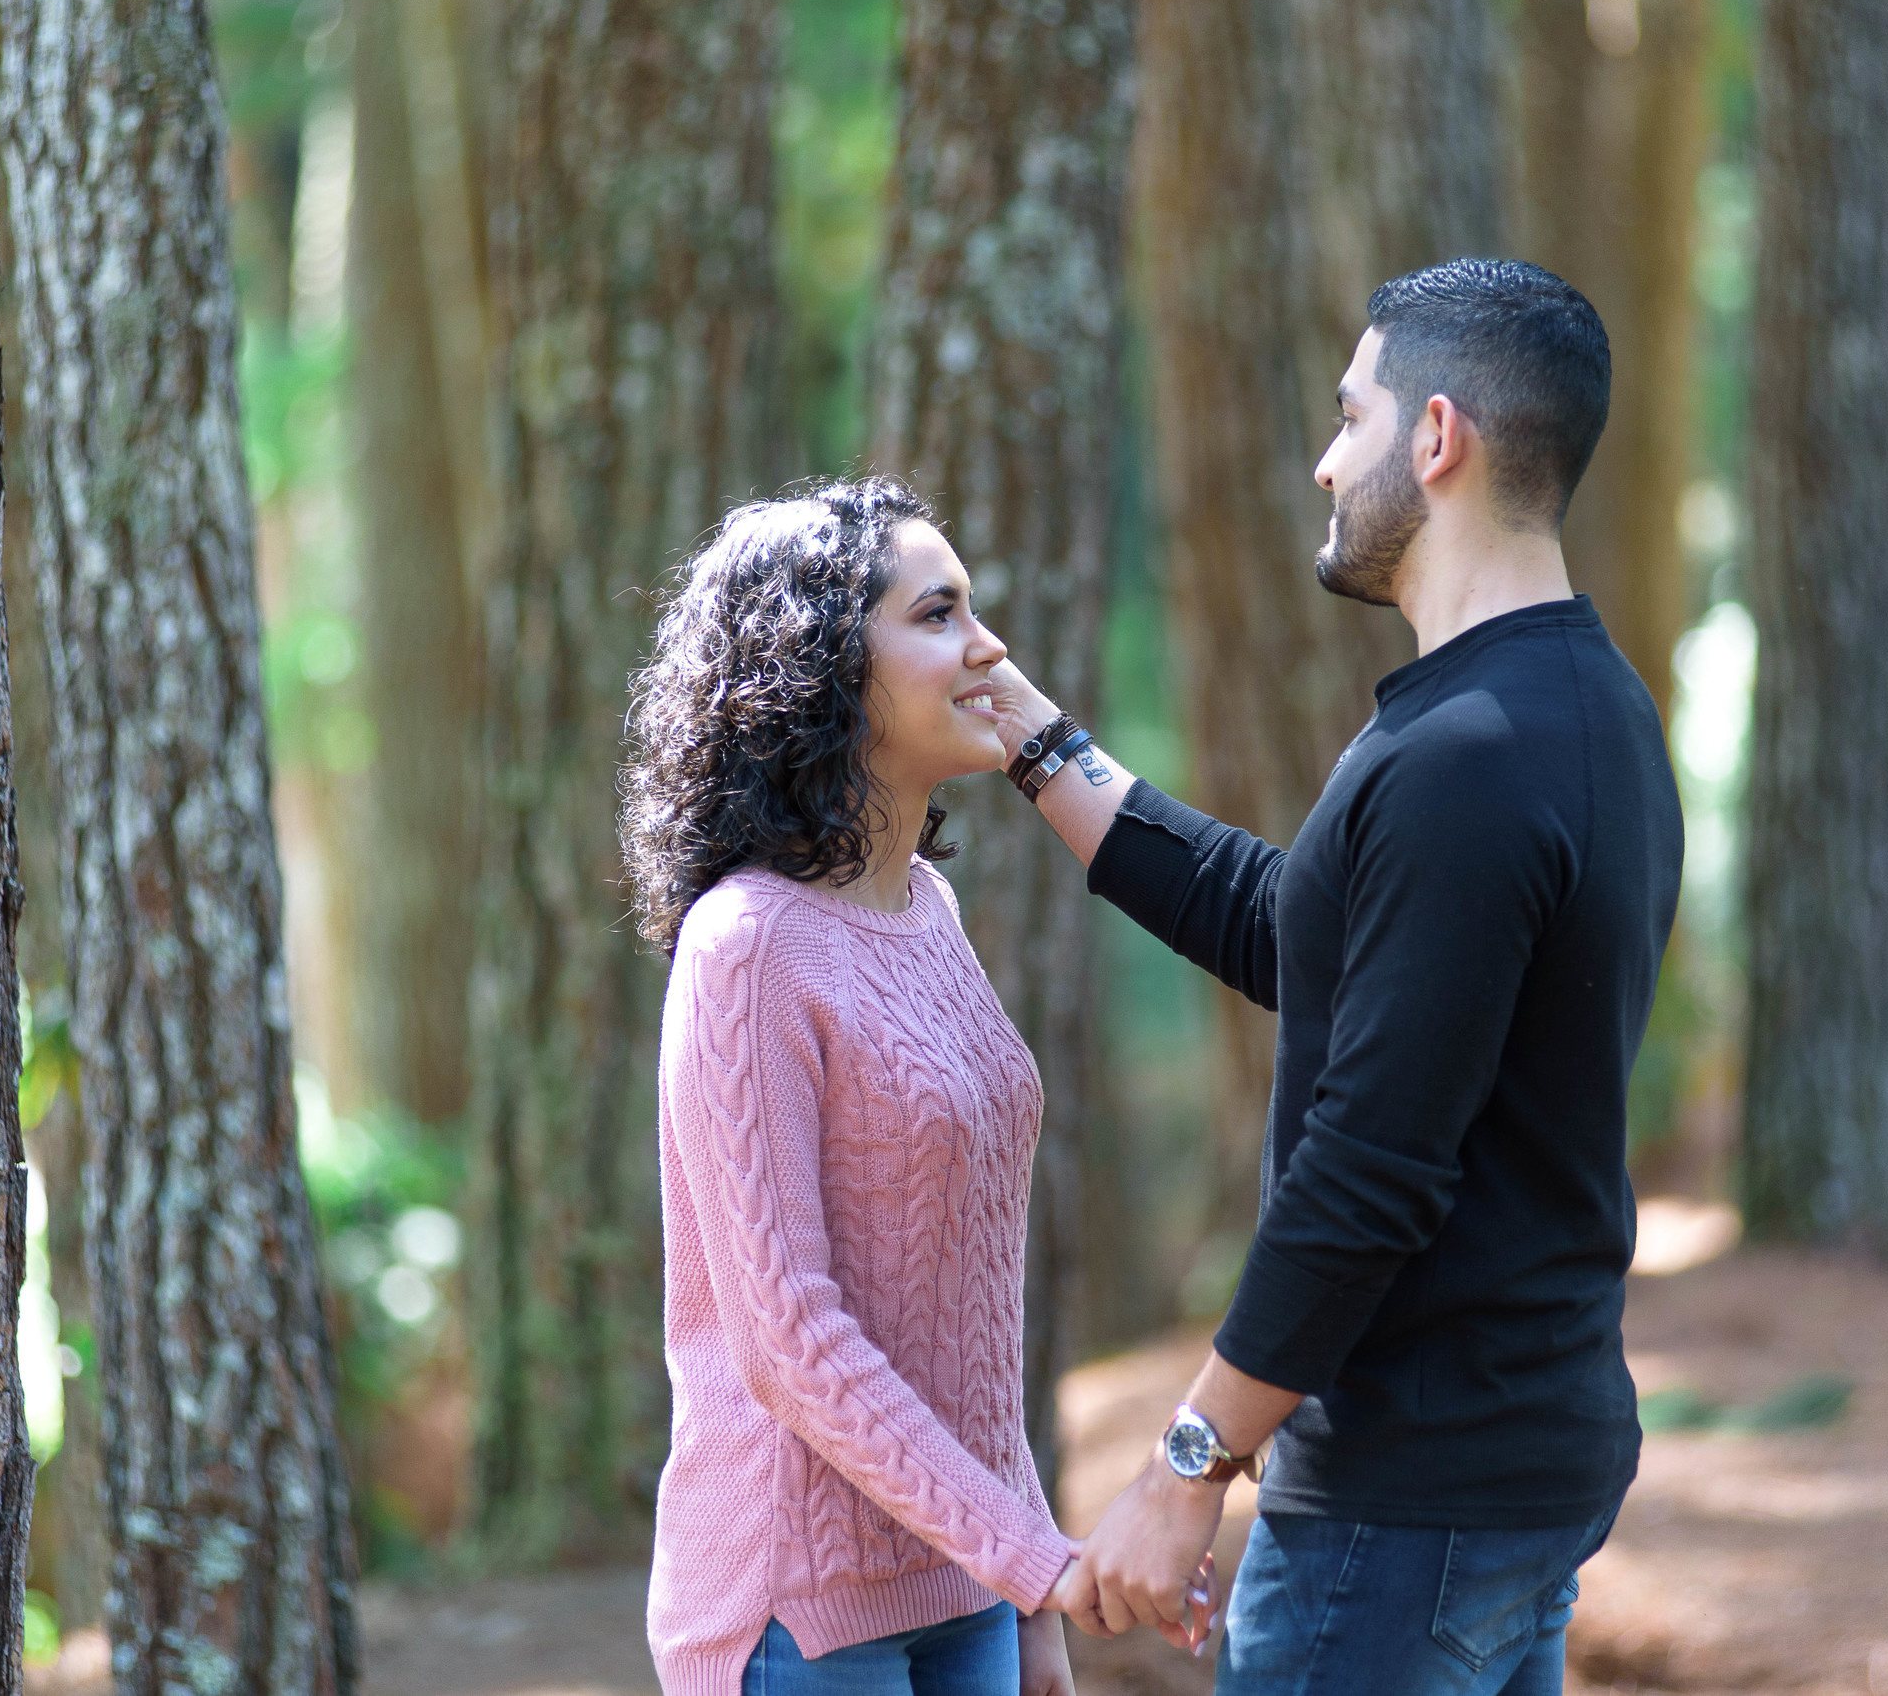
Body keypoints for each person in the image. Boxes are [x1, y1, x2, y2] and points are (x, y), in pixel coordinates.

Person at [982, 259, 1684, 1694]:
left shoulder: (1466, 763)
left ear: (1437, 437)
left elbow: (1369, 1168)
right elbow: (1295, 928)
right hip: (1510, 1474)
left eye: (1349, 416)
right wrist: (1038, 743)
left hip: (1403, 1506)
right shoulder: (1585, 712)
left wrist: (1188, 1464)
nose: (1323, 459)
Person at [624, 479, 1099, 1696]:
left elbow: (971, 1306)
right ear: (821, 669)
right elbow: (788, 1338)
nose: (988, 646)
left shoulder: (928, 908)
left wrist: (1016, 1577)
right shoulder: (746, 945)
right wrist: (1030, 1555)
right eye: (939, 614)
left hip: (960, 1585)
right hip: (797, 1608)